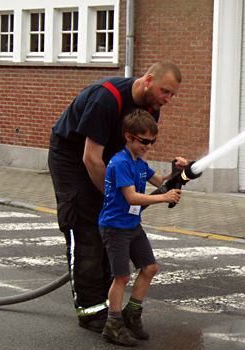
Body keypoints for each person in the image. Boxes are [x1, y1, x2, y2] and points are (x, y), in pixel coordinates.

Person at [47, 60, 183, 333]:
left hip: (107, 159)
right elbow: (90, 158)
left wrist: (171, 178)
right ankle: (89, 310)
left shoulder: (149, 109)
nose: (167, 100)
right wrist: (113, 198)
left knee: (112, 226)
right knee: (86, 226)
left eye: (172, 95)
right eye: (164, 91)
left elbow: (133, 159)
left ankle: (112, 307)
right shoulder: (106, 99)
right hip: (74, 159)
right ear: (147, 80)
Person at [99, 109, 184, 346]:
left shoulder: (140, 163)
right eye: (144, 141)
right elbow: (132, 198)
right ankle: (113, 324)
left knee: (150, 267)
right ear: (129, 136)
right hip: (115, 227)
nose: (149, 146)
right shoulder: (120, 163)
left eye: (152, 141)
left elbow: (163, 182)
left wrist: (180, 173)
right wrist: (164, 197)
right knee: (122, 276)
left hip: (132, 226)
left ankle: (131, 314)